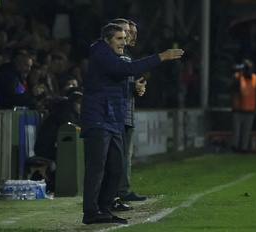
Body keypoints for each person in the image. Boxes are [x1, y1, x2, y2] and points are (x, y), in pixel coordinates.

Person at [80, 23, 184, 224]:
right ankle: (91, 211)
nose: (124, 42)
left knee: (116, 167)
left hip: (112, 119)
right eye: (119, 38)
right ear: (106, 40)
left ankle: (104, 208)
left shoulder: (112, 56)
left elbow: (111, 82)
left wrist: (132, 87)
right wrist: (161, 56)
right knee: (97, 166)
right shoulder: (100, 53)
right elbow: (125, 69)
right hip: (98, 118)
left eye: (124, 38)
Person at [109, 19, 147, 213]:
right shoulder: (115, 56)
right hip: (119, 114)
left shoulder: (127, 55)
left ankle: (122, 190)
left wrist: (137, 88)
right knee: (118, 157)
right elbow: (115, 83)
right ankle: (117, 193)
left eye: (132, 33)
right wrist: (134, 87)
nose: (132, 36)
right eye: (128, 32)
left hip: (127, 112)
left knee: (125, 156)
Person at [31, 87, 83, 192]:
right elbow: (69, 136)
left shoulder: (70, 112)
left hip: (53, 146)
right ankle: (62, 186)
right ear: (72, 102)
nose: (81, 106)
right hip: (47, 148)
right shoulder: (65, 112)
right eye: (79, 103)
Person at [230, 59, 256, 153]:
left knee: (246, 132)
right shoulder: (238, 77)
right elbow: (232, 88)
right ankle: (235, 147)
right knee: (237, 131)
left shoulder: (255, 78)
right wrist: (237, 77)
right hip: (238, 108)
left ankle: (243, 148)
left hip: (249, 109)